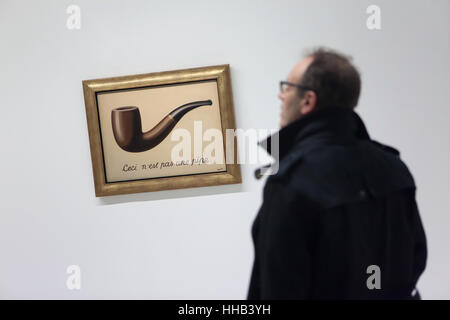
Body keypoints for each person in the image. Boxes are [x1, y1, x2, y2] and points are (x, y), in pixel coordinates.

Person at [247, 47, 427, 300]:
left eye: (286, 87)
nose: (280, 95)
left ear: (308, 101)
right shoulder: (393, 167)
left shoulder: (292, 181)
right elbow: (416, 260)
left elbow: (278, 289)